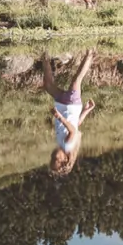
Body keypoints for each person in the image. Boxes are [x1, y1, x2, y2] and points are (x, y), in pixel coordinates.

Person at [42, 49, 96, 177]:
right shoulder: (67, 145)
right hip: (71, 105)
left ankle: (44, 54)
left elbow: (75, 126)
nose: (52, 156)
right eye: (55, 160)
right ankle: (90, 52)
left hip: (62, 104)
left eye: (51, 159)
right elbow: (72, 130)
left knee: (49, 85)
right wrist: (59, 117)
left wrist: (86, 111)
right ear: (64, 159)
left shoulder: (63, 145)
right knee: (76, 80)